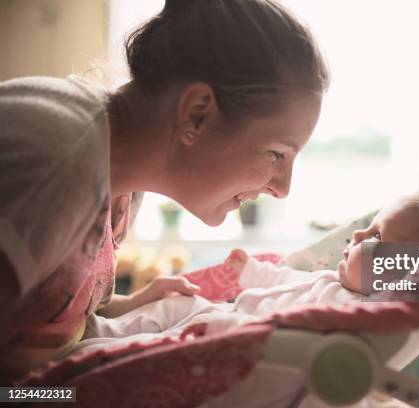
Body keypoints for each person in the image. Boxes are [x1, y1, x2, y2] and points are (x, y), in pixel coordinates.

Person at [0, 0, 329, 383]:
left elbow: (35, 325)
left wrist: (126, 308)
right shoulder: (57, 158)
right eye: (277, 153)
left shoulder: (118, 180)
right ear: (197, 114)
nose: (283, 189)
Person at [80, 195, 419, 343]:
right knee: (167, 310)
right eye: (368, 226)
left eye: (378, 238)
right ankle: (92, 333)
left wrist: (224, 330)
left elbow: (284, 338)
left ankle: (88, 354)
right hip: (221, 314)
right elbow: (285, 280)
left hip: (227, 336)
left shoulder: (358, 317)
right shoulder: (332, 281)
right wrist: (251, 270)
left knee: (162, 326)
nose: (359, 235)